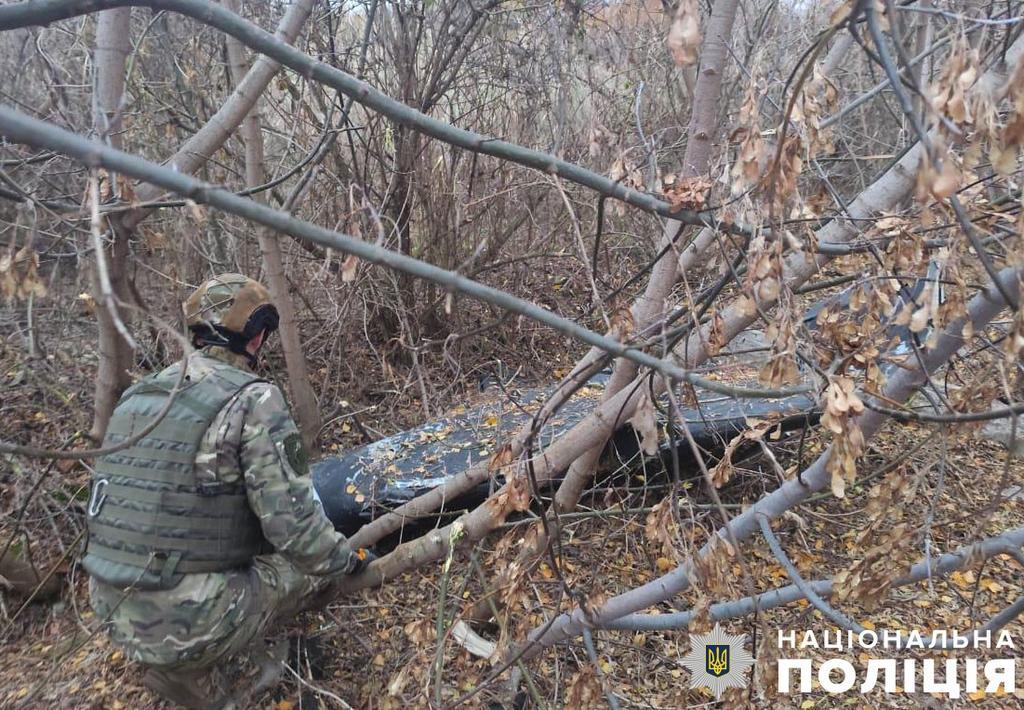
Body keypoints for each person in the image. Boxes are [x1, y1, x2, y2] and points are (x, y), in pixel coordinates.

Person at [82, 273, 372, 707]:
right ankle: (250, 671)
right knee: (300, 571)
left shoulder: (139, 396)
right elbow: (298, 533)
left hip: (108, 608)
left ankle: (188, 659)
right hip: (188, 618)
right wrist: (345, 560)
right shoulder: (253, 399)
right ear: (255, 338)